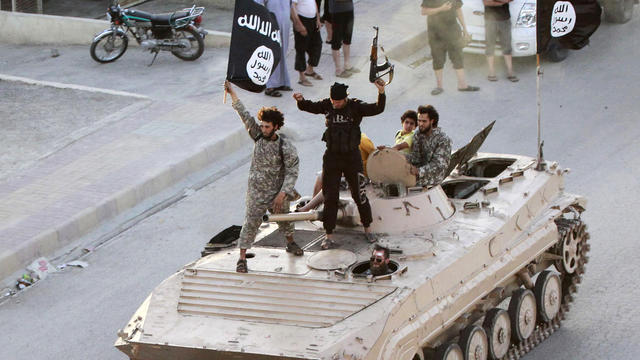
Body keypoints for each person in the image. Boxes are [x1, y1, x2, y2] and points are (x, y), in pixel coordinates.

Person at [293, 80, 386, 248]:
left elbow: (378, 108)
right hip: (332, 157)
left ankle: (368, 229)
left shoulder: (356, 107)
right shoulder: (327, 105)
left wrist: (381, 92)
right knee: (330, 197)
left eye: (338, 101)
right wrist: (300, 101)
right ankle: (328, 235)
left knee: (360, 194)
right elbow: (311, 107)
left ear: (345, 99)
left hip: (352, 157)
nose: (335, 104)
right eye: (333, 101)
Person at [225, 81, 303, 273]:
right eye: (262, 125)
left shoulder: (284, 146)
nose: (263, 128)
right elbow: (244, 114)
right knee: (250, 222)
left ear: (276, 127)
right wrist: (232, 92)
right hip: (257, 192)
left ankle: (291, 243)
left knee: (284, 220)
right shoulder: (258, 135)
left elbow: (293, 170)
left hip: (277, 193)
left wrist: (283, 193)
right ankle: (242, 258)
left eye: (267, 126)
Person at [296, 133, 375, 212]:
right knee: (321, 176)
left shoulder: (362, 140)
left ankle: (307, 208)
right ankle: (314, 204)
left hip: (361, 175)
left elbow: (375, 156)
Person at [420, 0, 479, 95]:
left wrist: (465, 29)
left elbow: (459, 10)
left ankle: (462, 85)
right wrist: (441, 9)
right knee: (438, 59)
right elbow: (424, 11)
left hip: (453, 32)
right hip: (435, 34)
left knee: (458, 58)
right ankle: (439, 87)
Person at [406, 105, 452, 186]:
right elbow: (415, 158)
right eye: (419, 121)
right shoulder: (418, 135)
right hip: (419, 172)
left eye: (424, 121)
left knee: (404, 184)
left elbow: (439, 166)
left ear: (432, 121)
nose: (420, 124)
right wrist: (397, 156)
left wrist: (418, 171)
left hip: (434, 178)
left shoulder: (443, 140)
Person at [255, 0, 293, 97]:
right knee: (271, 53)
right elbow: (257, 4)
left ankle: (282, 82)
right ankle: (270, 86)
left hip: (285, 21)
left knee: (282, 53)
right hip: (270, 22)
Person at [483, 0, 519, 82]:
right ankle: (491, 72)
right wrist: (503, 2)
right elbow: (486, 2)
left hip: (505, 19)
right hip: (490, 20)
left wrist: (496, 1)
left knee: (507, 46)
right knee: (490, 45)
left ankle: (510, 72)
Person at [291, 0, 323, 87]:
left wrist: (318, 19)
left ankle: (310, 70)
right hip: (302, 20)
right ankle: (302, 78)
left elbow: (314, 3)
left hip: (313, 20)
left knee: (317, 44)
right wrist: (298, 24)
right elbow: (293, 7)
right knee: (301, 48)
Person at [328, 0, 358, 78]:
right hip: (337, 11)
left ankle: (347, 65)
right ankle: (338, 69)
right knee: (336, 40)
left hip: (349, 9)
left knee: (347, 38)